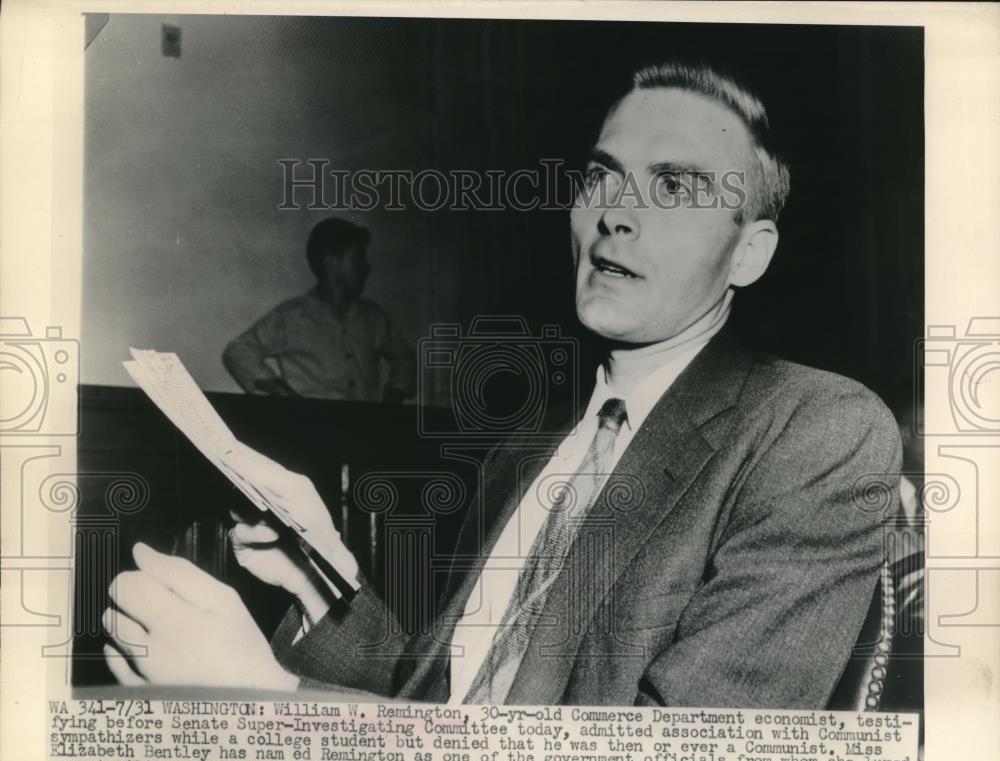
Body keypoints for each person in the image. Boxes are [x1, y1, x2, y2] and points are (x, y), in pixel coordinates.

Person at [103, 61, 902, 708]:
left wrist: (269, 693)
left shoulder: (815, 429)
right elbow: (443, 703)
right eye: (602, 178)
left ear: (751, 253)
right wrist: (322, 576)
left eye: (675, 188)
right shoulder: (528, 450)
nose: (615, 213)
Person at [222, 217, 416, 403]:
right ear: (330, 262)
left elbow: (404, 358)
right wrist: (284, 396)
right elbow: (238, 352)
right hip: (310, 428)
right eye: (358, 259)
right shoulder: (292, 316)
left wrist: (393, 399)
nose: (366, 267)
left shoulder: (374, 317)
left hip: (363, 430)